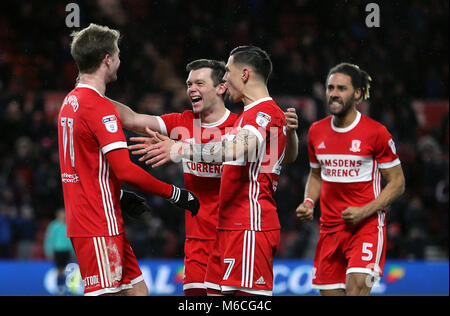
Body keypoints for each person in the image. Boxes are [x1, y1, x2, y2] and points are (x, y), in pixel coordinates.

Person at [111, 58, 299, 295]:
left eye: (199, 83)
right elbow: (132, 119)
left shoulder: (240, 126)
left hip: (240, 231)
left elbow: (277, 156)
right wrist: (93, 94)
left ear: (221, 87)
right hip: (200, 242)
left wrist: (179, 149)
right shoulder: (182, 124)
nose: (191, 89)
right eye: (189, 84)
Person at [57, 23, 199, 296]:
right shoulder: (99, 108)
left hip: (98, 218)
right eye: (118, 54)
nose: (120, 60)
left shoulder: (72, 101)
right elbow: (126, 170)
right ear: (107, 59)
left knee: (138, 293)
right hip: (98, 224)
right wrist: (175, 194)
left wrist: (118, 196)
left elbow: (84, 165)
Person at [295, 63, 405, 296]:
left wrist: (365, 211)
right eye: (330, 87)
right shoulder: (316, 131)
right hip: (329, 230)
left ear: (356, 94)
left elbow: (397, 183)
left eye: (341, 88)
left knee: (356, 288)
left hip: (366, 227)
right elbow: (316, 175)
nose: (334, 93)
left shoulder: (376, 133)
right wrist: (308, 202)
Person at [44, 208, 75, 295]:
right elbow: (49, 239)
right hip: (58, 250)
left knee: (67, 270)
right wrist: (49, 251)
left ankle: (65, 287)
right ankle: (60, 287)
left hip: (67, 251)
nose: (63, 216)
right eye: (62, 214)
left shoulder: (68, 225)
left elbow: (71, 239)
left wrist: (73, 251)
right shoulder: (53, 225)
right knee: (59, 270)